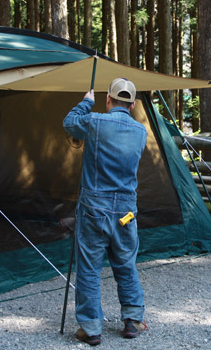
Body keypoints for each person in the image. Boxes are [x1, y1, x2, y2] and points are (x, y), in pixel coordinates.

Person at [63, 78, 148, 346]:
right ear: (133, 105)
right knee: (125, 264)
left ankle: (91, 328)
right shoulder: (141, 131)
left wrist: (86, 102)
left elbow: (69, 122)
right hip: (126, 212)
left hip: (94, 208)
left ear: (108, 100)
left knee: (89, 268)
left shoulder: (96, 121)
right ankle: (133, 321)